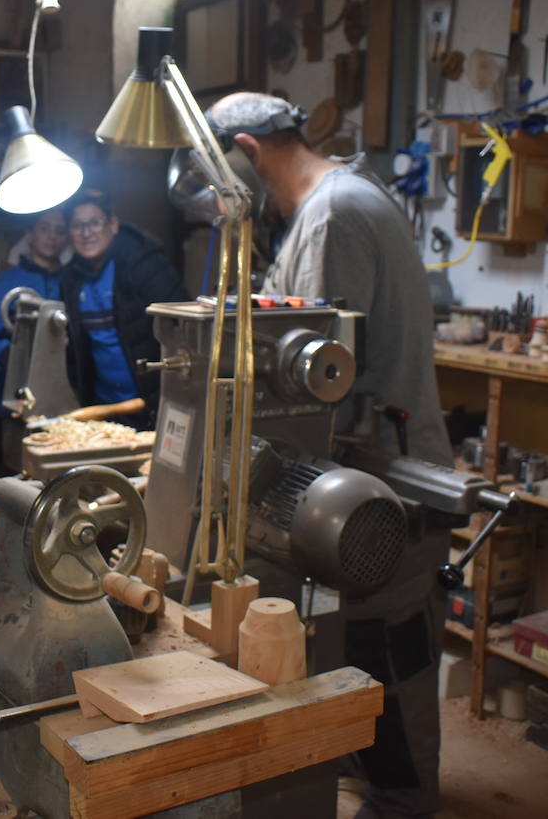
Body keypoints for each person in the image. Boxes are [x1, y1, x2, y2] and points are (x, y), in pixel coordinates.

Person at [207, 91, 451, 819]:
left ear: (248, 152)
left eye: (221, 178)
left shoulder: (333, 214)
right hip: (360, 476)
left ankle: (403, 803)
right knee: (364, 652)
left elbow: (308, 382)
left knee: (390, 658)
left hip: (383, 488)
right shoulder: (334, 203)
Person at [58, 190, 188, 430]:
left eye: (95, 223)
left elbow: (184, 324)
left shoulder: (144, 264)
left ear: (113, 225)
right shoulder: (70, 279)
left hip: (155, 402)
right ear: (69, 233)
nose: (87, 233)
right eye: (77, 226)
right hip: (105, 407)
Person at [0, 207, 68, 408]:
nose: (52, 236)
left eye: (60, 231)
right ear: (30, 235)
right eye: (44, 228)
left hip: (64, 386)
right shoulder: (8, 283)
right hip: (14, 390)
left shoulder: (72, 282)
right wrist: (7, 355)